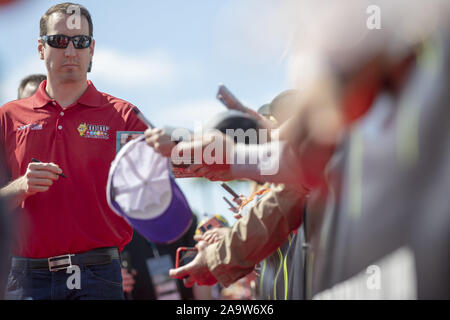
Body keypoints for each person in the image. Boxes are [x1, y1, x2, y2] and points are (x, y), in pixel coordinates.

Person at [0, 2, 147, 300]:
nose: (70, 51)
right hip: (25, 278)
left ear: (91, 49)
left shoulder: (124, 116)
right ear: (41, 49)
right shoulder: (7, 117)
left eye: (80, 42)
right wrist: (20, 187)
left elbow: (161, 182)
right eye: (58, 41)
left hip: (98, 275)